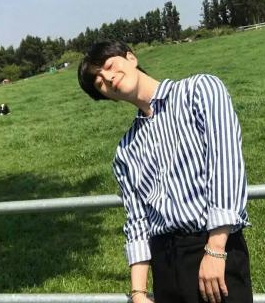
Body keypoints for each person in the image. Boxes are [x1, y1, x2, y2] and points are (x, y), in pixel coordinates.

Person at [78, 40, 252, 303]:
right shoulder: (126, 150)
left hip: (213, 247)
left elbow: (226, 166)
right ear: (106, 97)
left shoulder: (199, 91)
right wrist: (138, 292)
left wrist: (216, 249)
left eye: (109, 65)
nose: (108, 78)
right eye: (98, 81)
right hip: (165, 265)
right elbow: (137, 221)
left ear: (131, 58)